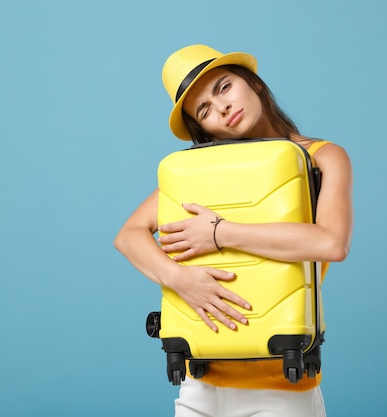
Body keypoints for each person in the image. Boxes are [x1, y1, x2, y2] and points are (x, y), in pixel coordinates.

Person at [114, 44, 353, 417]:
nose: (221, 108)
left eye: (223, 87)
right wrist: (179, 278)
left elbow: (331, 242)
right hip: (200, 383)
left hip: (282, 386)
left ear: (253, 84)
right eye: (204, 110)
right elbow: (128, 235)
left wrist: (219, 233)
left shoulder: (322, 157)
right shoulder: (200, 172)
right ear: (201, 127)